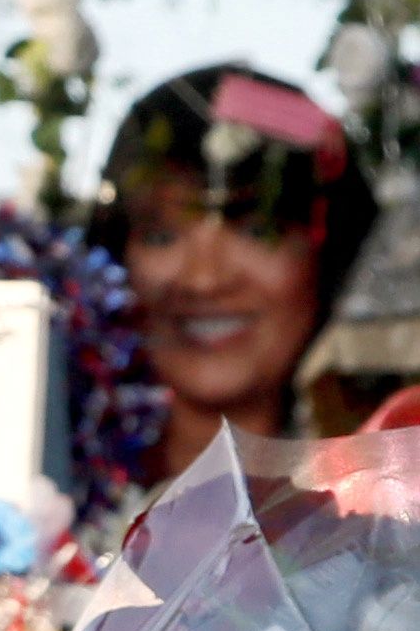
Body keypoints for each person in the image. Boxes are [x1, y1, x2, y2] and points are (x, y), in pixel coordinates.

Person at [99, 66, 377, 488]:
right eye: (161, 235)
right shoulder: (21, 502)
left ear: (328, 257)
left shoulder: (407, 511)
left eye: (255, 230)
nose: (204, 279)